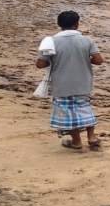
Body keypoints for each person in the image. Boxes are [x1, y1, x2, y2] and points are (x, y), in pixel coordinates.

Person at [36, 11, 105, 150]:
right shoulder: (87, 40)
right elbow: (98, 60)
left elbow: (40, 64)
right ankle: (91, 137)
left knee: (69, 113)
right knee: (85, 108)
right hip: (83, 81)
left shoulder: (51, 41)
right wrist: (84, 58)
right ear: (77, 24)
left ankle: (76, 141)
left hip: (61, 83)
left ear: (59, 24)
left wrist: (54, 60)